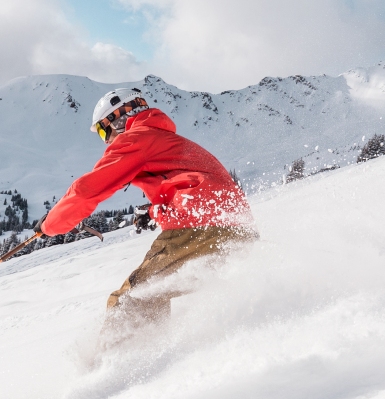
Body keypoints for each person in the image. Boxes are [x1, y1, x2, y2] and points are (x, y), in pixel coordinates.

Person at [34, 87, 256, 333]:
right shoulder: (164, 140)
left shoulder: (137, 138)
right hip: (235, 227)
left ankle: (122, 366)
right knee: (158, 293)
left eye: (101, 131)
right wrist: (152, 214)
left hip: (198, 229)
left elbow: (87, 189)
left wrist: (50, 225)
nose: (105, 140)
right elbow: (192, 191)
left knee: (132, 298)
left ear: (117, 120)